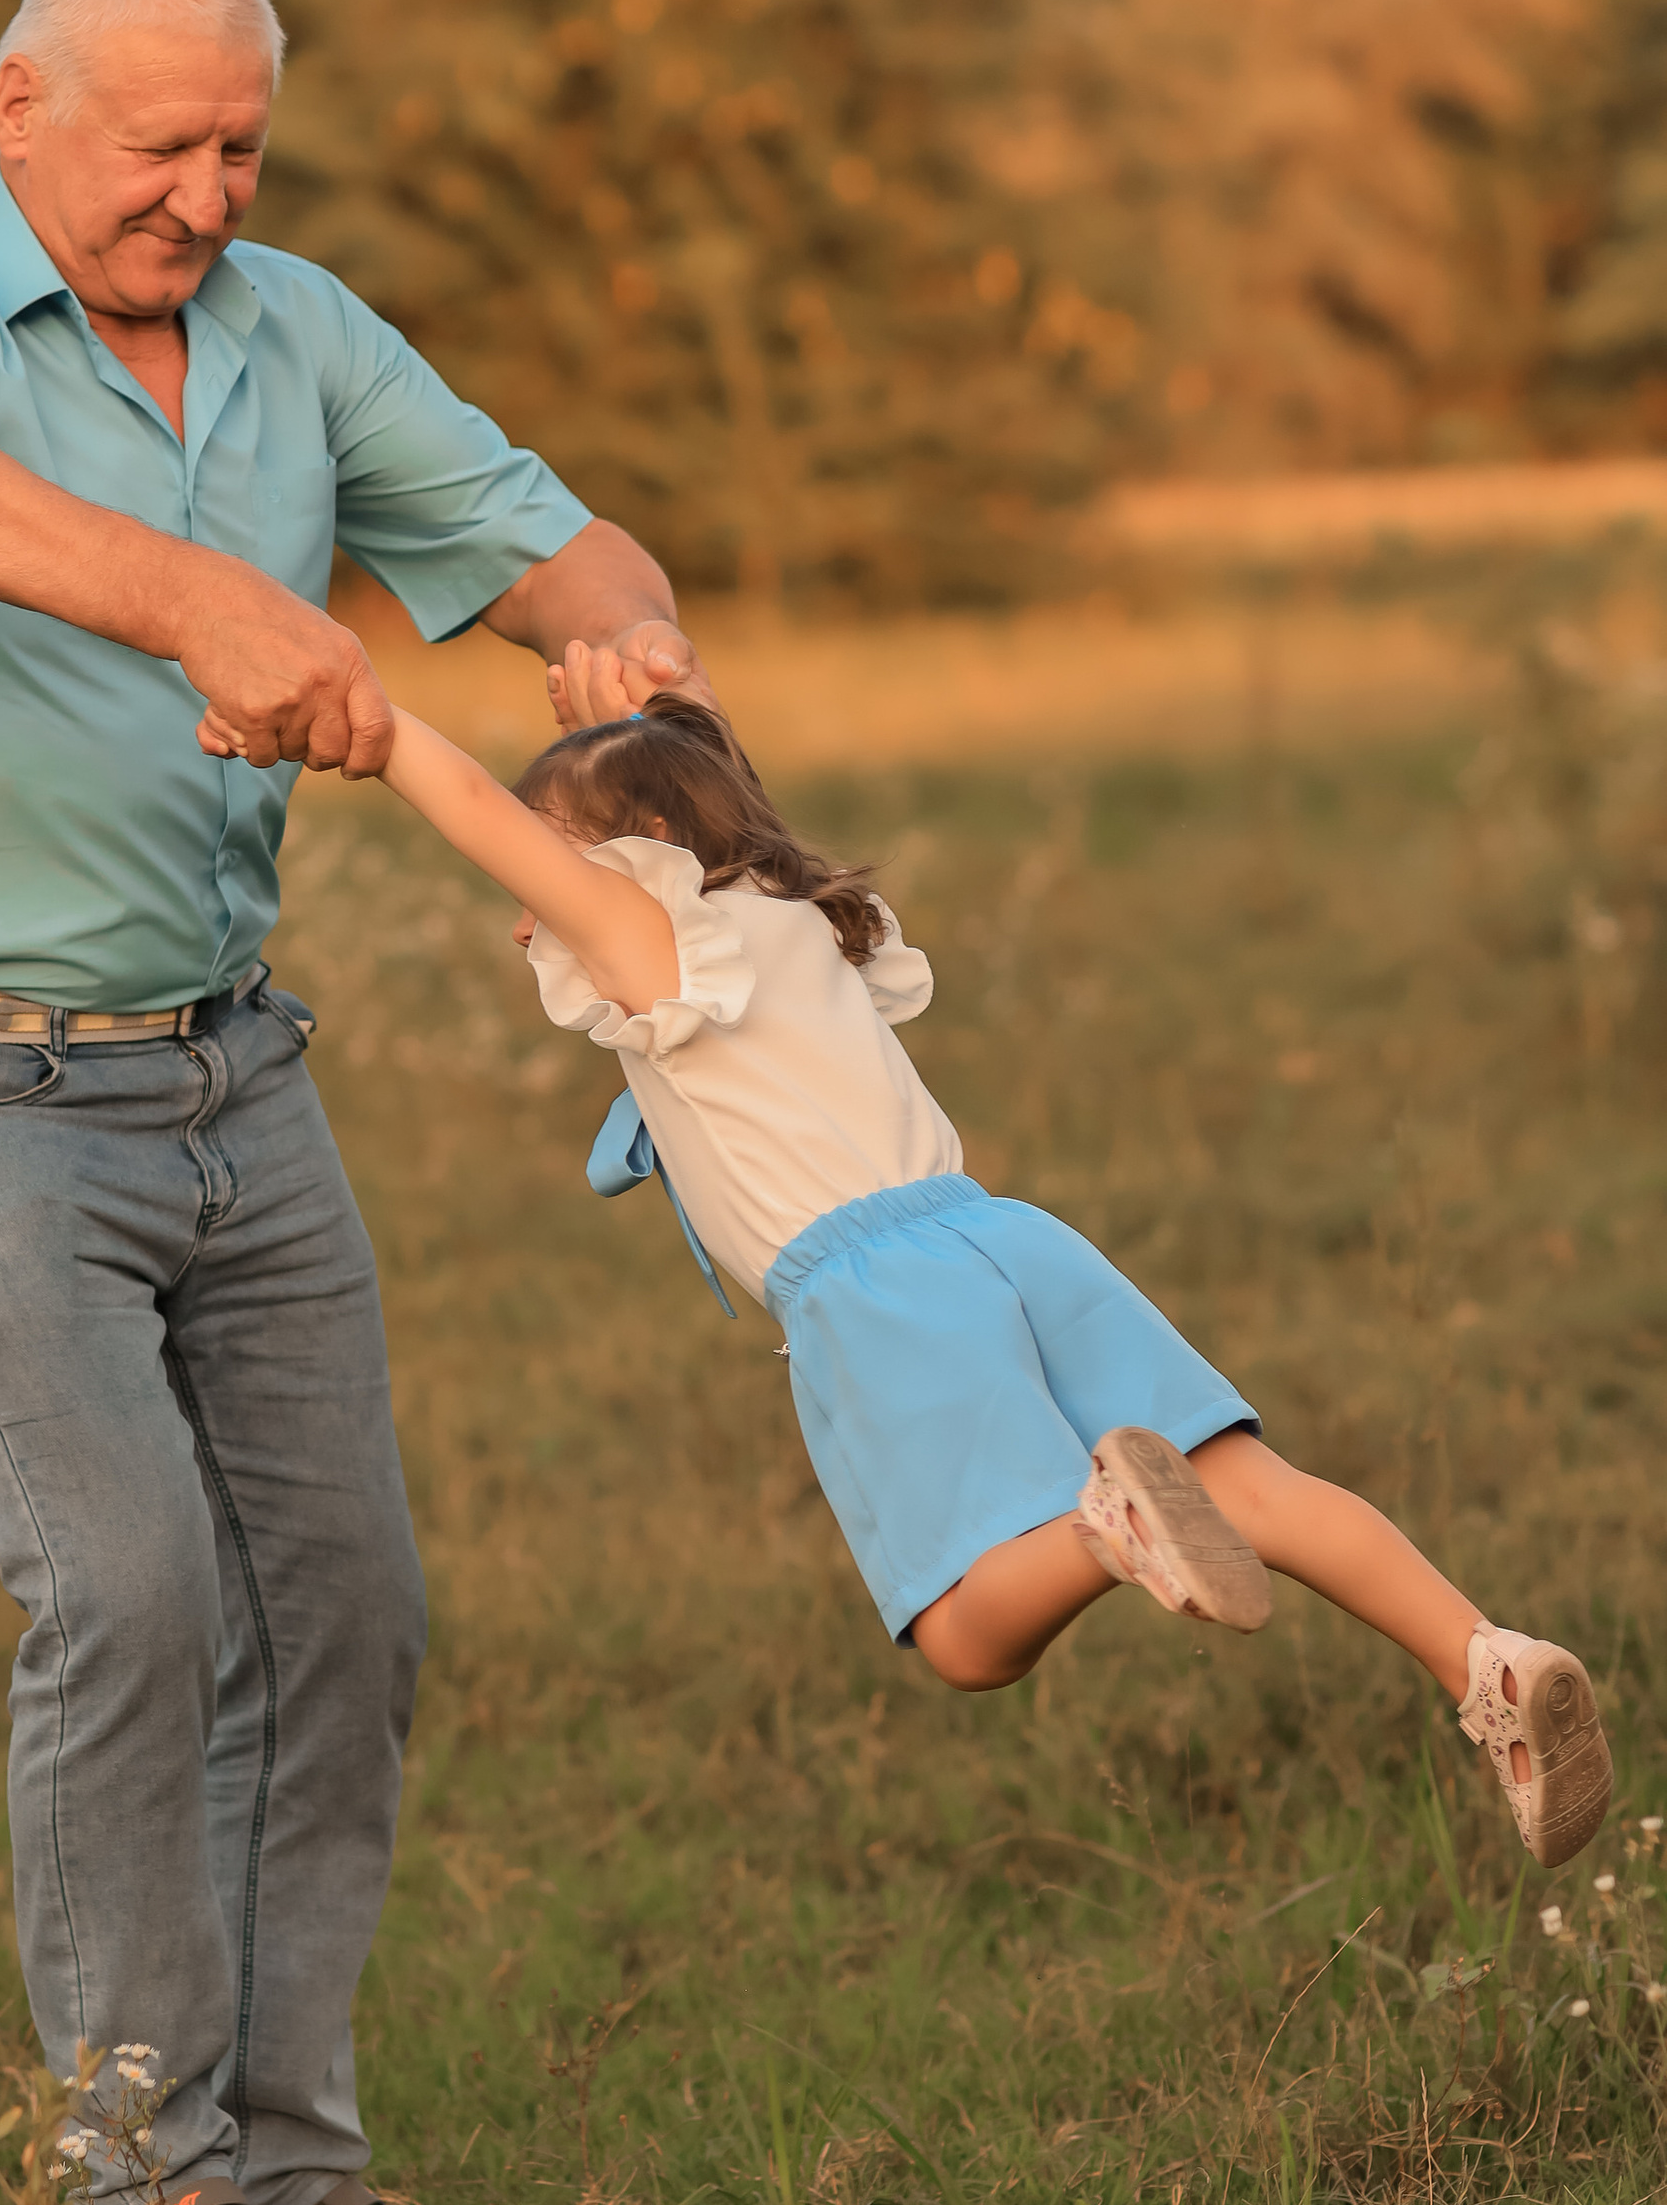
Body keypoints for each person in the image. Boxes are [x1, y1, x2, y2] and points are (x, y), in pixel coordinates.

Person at [0, 0, 714, 2205]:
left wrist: (631, 651)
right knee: (130, 1591)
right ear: (21, 109)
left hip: (228, 1076)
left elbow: (562, 553)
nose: (201, 194)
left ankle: (279, 2160)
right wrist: (197, 595)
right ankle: (140, 2163)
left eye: (240, 150)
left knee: (338, 1606)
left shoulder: (297, 335)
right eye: (159, 145)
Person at [222, 679, 1617, 1870]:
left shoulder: (653, 947)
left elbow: (478, 813)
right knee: (1259, 1488)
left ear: (634, 864)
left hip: (873, 1291)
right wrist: (653, 722)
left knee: (966, 1641)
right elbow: (698, 799)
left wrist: (369, 717)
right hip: (1005, 1237)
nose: (528, 915)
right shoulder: (796, 923)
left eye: (550, 874)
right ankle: (1484, 1656)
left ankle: (1108, 1528)